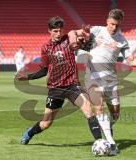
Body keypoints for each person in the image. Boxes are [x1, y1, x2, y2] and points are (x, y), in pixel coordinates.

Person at [81, 9, 136, 155]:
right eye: (112, 24)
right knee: (99, 108)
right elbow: (77, 34)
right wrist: (82, 35)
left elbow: (131, 60)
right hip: (93, 76)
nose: (113, 27)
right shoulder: (96, 30)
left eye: (116, 25)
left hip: (111, 80)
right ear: (107, 21)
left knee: (115, 115)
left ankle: (106, 127)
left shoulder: (122, 40)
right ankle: (111, 144)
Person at [15, 16, 102, 147]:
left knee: (88, 109)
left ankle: (100, 142)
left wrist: (86, 32)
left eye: (60, 30)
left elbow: (80, 32)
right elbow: (44, 70)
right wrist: (28, 77)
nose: (58, 33)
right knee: (46, 124)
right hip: (55, 88)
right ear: (49, 31)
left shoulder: (68, 39)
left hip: (72, 86)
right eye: (55, 31)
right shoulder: (46, 48)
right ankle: (29, 133)